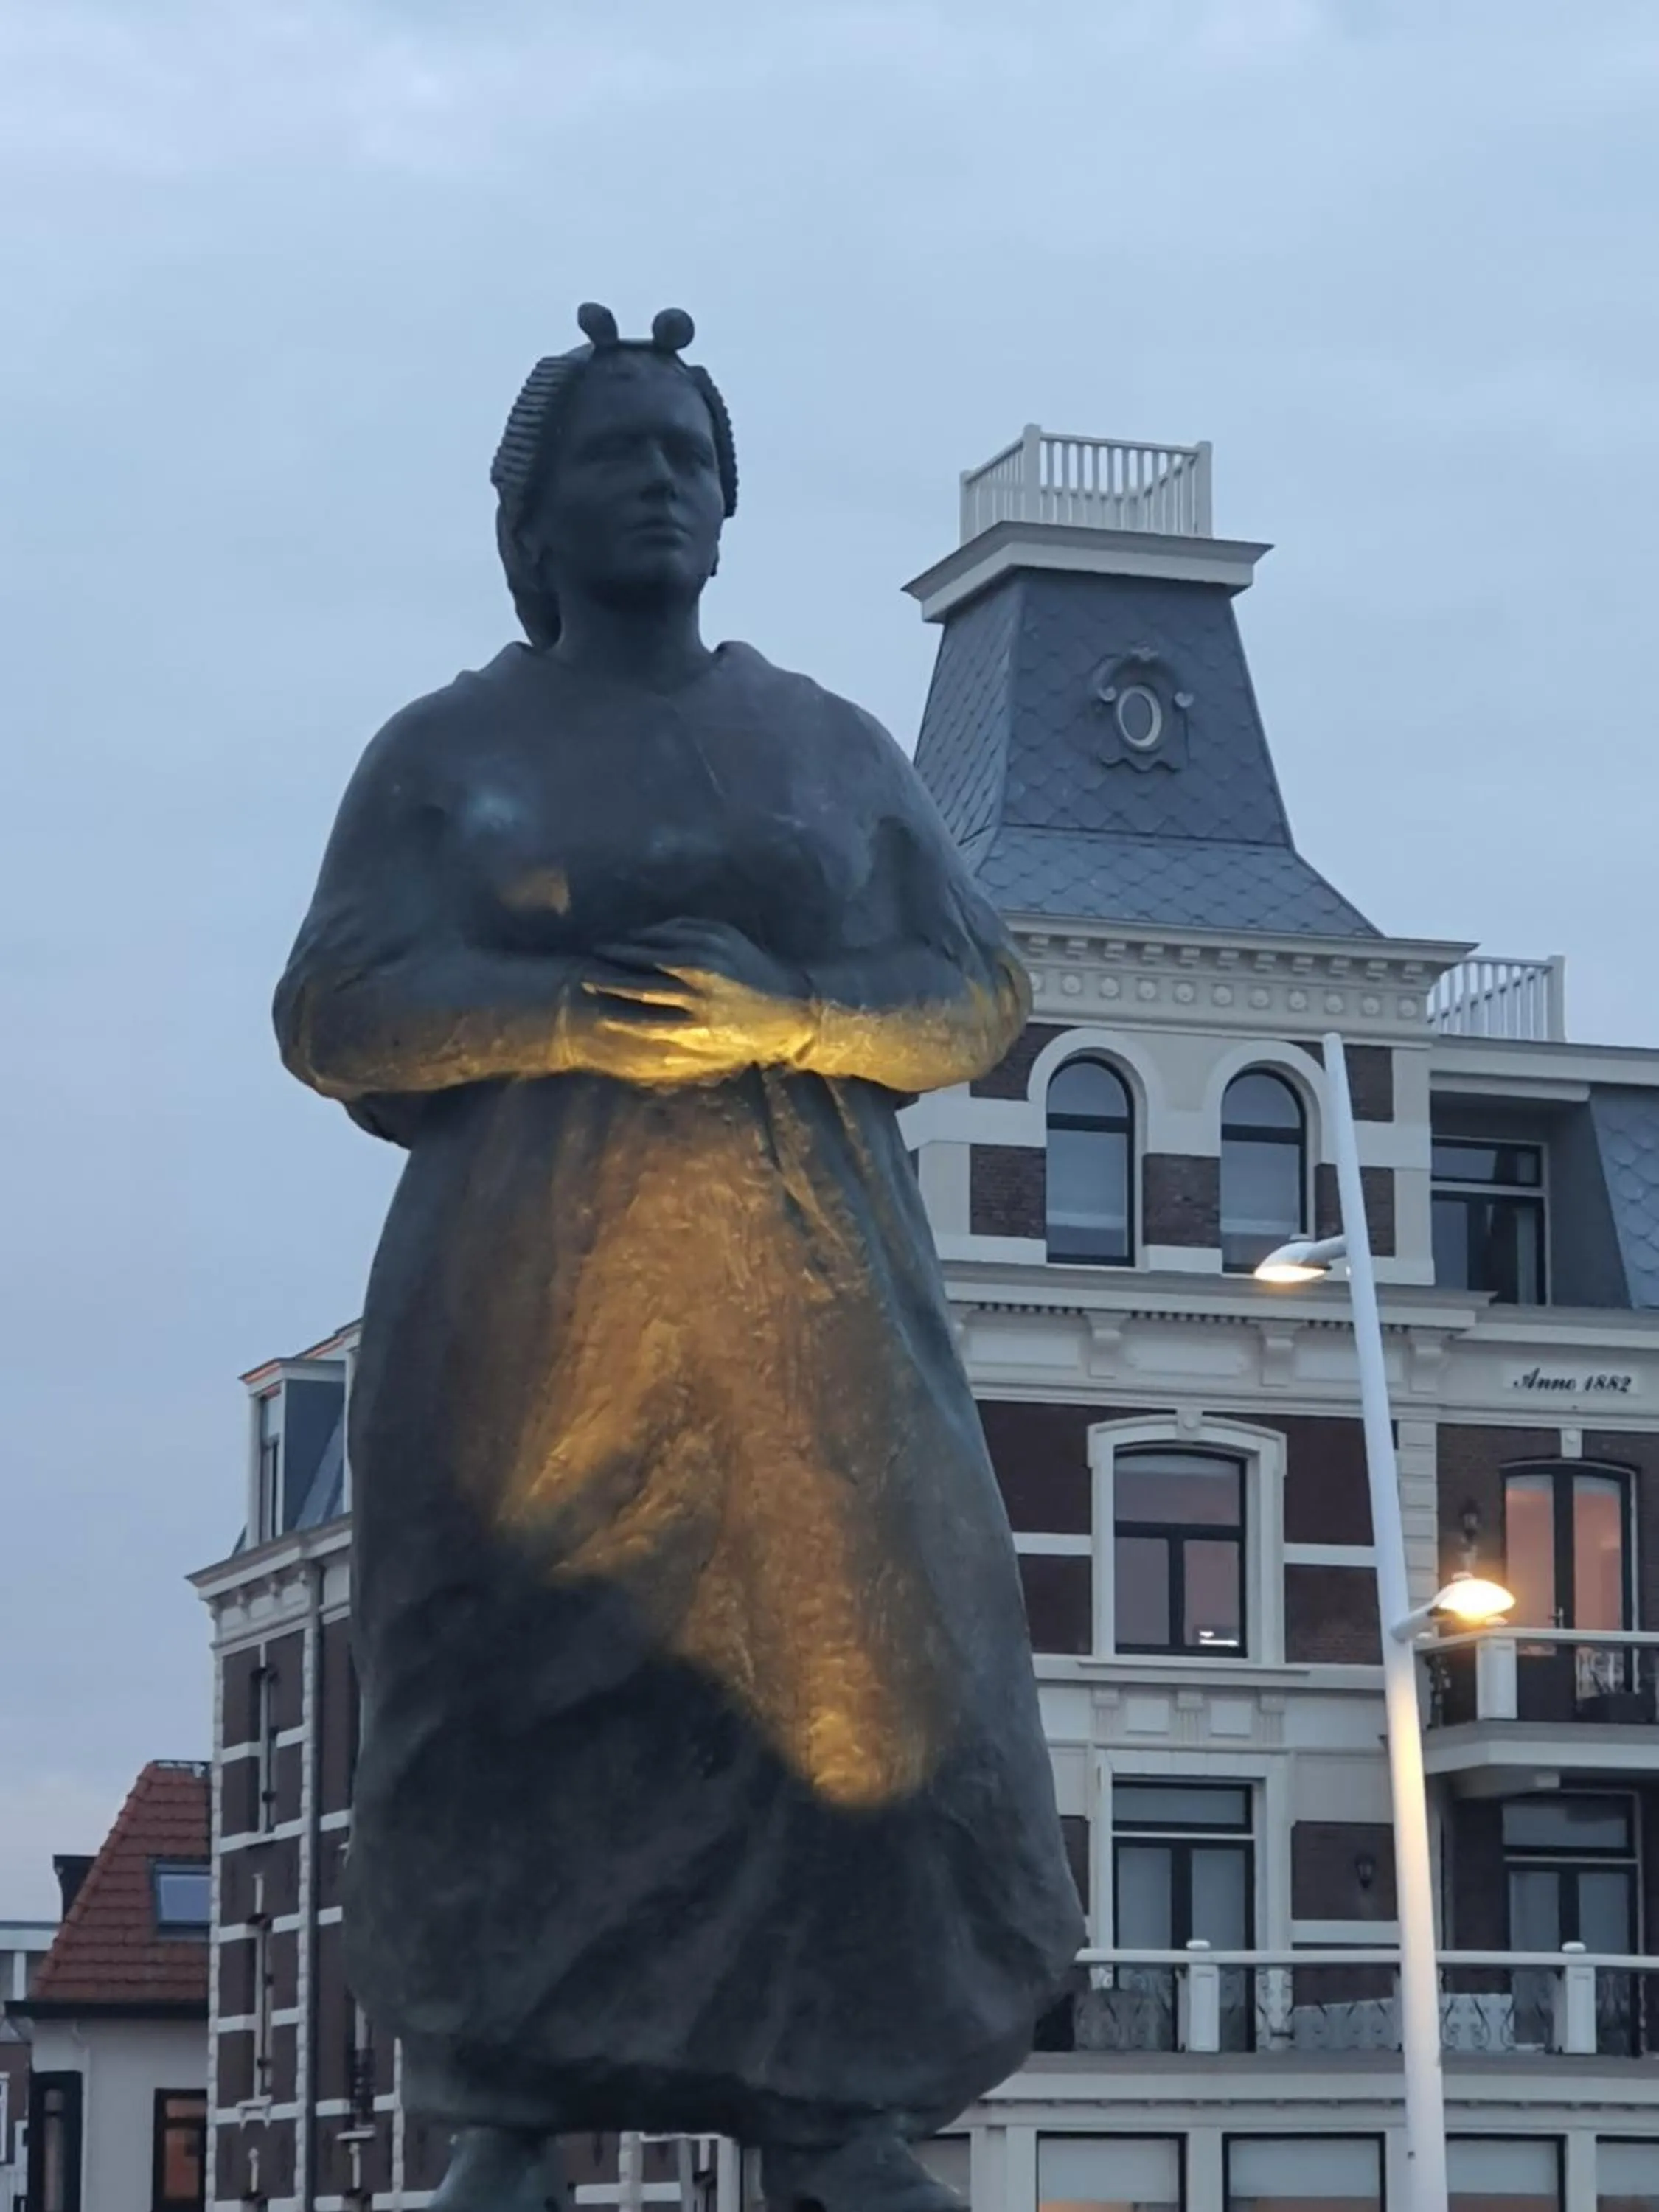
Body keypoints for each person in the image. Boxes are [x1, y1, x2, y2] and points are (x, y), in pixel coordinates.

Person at [274, 304, 1084, 2212]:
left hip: (808, 1327)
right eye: (617, 457)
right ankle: (510, 2120)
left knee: (857, 1690)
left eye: (689, 458)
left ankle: (839, 2107)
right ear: (531, 516)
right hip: (525, 1319)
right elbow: (335, 1007)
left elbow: (977, 991)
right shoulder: (445, 751)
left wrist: (790, 1010)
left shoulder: (824, 745)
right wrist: (566, 1015)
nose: (661, 484)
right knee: (512, 1689)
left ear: (730, 507)